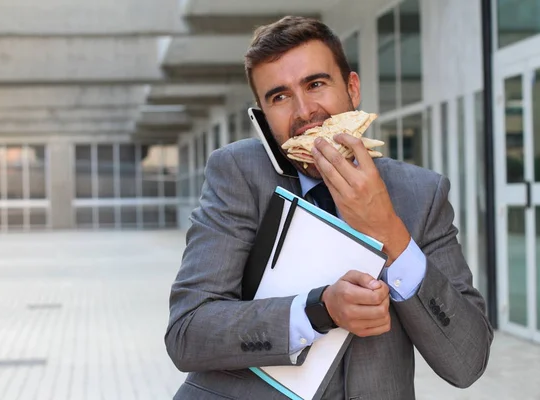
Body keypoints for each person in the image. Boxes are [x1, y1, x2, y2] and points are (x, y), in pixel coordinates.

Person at [165, 16, 493, 400]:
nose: (304, 112)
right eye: (279, 97)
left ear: (352, 90)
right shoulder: (238, 174)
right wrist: (317, 311)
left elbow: (468, 361)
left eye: (316, 84)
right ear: (263, 115)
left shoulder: (420, 193)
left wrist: (390, 233)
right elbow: (187, 333)